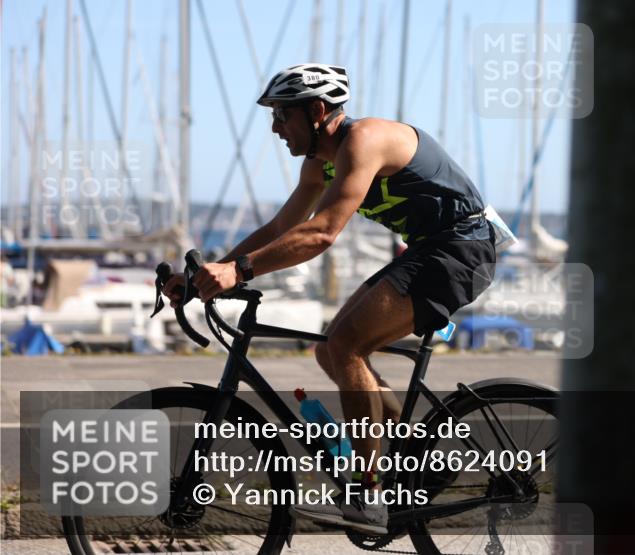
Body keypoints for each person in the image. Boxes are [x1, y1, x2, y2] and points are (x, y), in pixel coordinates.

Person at [164, 63, 496, 534]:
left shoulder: (364, 140)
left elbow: (320, 234)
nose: (275, 128)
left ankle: (370, 494)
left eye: (281, 115)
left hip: (460, 247)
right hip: (432, 248)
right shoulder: (319, 161)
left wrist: (238, 271)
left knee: (346, 347)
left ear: (317, 111)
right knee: (329, 350)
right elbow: (282, 229)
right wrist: (204, 273)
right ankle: (419, 457)